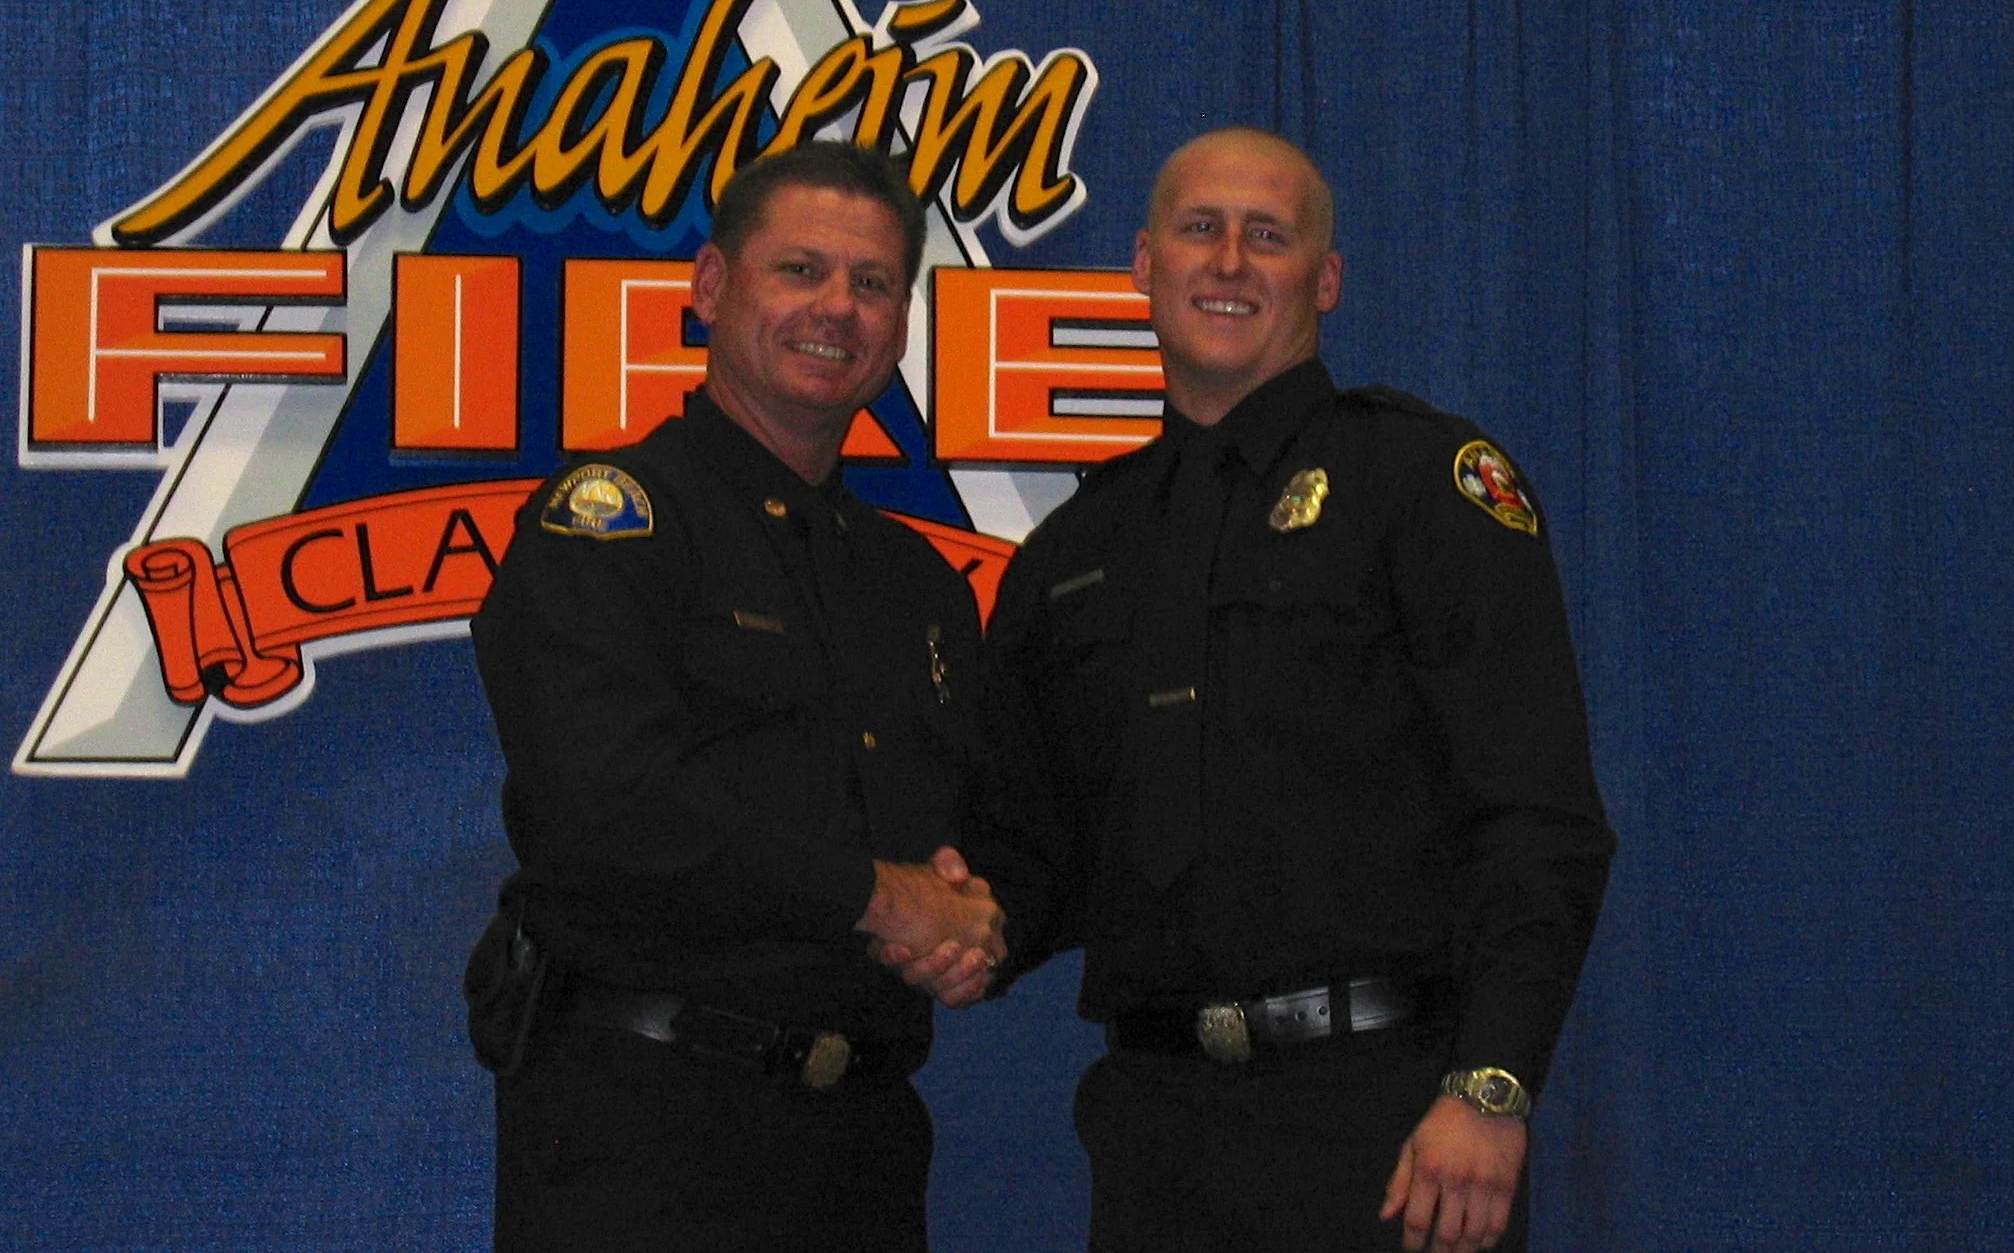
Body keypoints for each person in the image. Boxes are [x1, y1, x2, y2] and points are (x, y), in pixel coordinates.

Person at [959, 127, 1615, 1253]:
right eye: (1197, 228)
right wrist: (930, 918)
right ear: (1140, 264)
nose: (1226, 261)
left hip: (1393, 1124)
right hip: (1154, 1132)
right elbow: (1033, 847)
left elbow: (1537, 817)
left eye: (1267, 236)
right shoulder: (1073, 549)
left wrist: (1491, 1086)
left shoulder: (1421, 483)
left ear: (1325, 279)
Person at [467, 139, 1004, 1253]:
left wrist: (968, 920)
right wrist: (883, 898)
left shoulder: (916, 587)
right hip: (646, 1136)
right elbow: (608, 805)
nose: (837, 309)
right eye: (798, 269)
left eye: (872, 283)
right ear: (712, 285)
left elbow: (950, 834)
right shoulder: (614, 522)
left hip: (861, 1146)